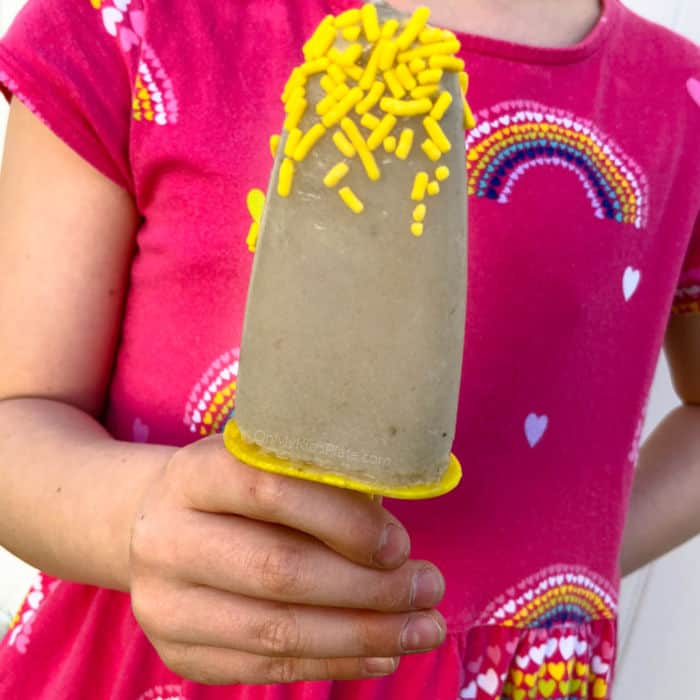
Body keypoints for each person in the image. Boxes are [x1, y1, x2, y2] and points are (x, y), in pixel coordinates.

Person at [0, 0, 699, 697]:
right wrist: (137, 520)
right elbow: (18, 412)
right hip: (161, 655)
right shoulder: (127, 21)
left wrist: (569, 566)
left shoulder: (682, 106)